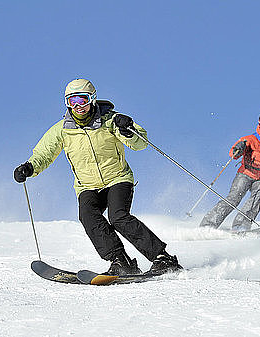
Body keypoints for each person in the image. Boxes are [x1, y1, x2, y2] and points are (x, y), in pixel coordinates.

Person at [14, 78, 182, 275]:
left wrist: (127, 129)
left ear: (92, 99)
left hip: (117, 178)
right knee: (88, 217)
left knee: (118, 217)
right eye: (72, 101)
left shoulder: (110, 121)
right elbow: (44, 153)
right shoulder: (62, 130)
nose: (78, 106)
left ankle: (162, 258)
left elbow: (140, 143)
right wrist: (30, 167)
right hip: (87, 185)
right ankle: (120, 260)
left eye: (82, 100)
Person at [199, 110, 260, 231]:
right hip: (246, 174)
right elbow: (233, 154)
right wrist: (238, 149)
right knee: (234, 198)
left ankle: (241, 226)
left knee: (258, 198)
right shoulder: (250, 139)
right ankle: (208, 224)